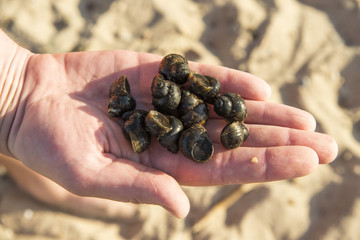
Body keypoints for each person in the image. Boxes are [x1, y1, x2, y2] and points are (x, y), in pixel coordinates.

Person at [0, 29, 338, 219]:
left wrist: (17, 85)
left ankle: (25, 166)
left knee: (14, 140)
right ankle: (27, 166)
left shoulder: (184, 108)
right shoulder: (164, 114)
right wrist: (16, 94)